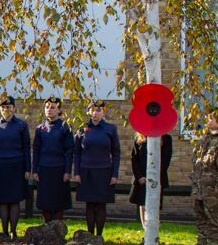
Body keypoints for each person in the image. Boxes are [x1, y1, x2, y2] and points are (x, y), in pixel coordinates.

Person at [73, 100, 120, 237]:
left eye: (98, 110)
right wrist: (76, 172)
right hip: (86, 171)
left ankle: (99, 236)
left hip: (104, 171)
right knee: (89, 205)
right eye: (92, 110)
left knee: (101, 205)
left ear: (103, 112)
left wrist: (114, 174)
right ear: (88, 112)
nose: (95, 113)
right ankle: (90, 234)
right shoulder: (82, 129)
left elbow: (116, 153)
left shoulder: (110, 129)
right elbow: (76, 152)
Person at [190, 108, 218, 245]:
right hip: (200, 184)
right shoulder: (203, 139)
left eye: (210, 119)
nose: (207, 122)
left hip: (213, 186)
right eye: (207, 119)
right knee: (200, 213)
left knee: (214, 214)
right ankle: (201, 240)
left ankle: (213, 242)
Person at [0, 96, 30, 239]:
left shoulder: (21, 125)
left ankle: (13, 231)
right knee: (3, 200)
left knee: (14, 200)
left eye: (8, 107)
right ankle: (4, 231)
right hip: (0, 167)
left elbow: (26, 147)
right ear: (0, 109)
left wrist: (27, 168)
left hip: (17, 166)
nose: (6, 109)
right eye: (3, 107)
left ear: (14, 108)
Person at [32, 97, 74, 223]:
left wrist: (67, 171)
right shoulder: (40, 128)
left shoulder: (65, 127)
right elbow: (36, 150)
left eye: (53, 107)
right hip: (44, 170)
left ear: (59, 110)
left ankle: (57, 232)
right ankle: (47, 232)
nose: (49, 110)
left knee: (58, 203)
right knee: (45, 203)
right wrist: (35, 170)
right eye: (47, 107)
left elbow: (69, 151)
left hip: (60, 170)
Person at [128, 132, 172, 224]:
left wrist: (155, 176)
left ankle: (154, 230)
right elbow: (134, 158)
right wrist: (139, 177)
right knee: (143, 205)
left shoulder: (166, 138)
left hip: (157, 178)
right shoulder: (139, 137)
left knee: (154, 205)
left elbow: (166, 160)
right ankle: (145, 230)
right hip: (142, 178)